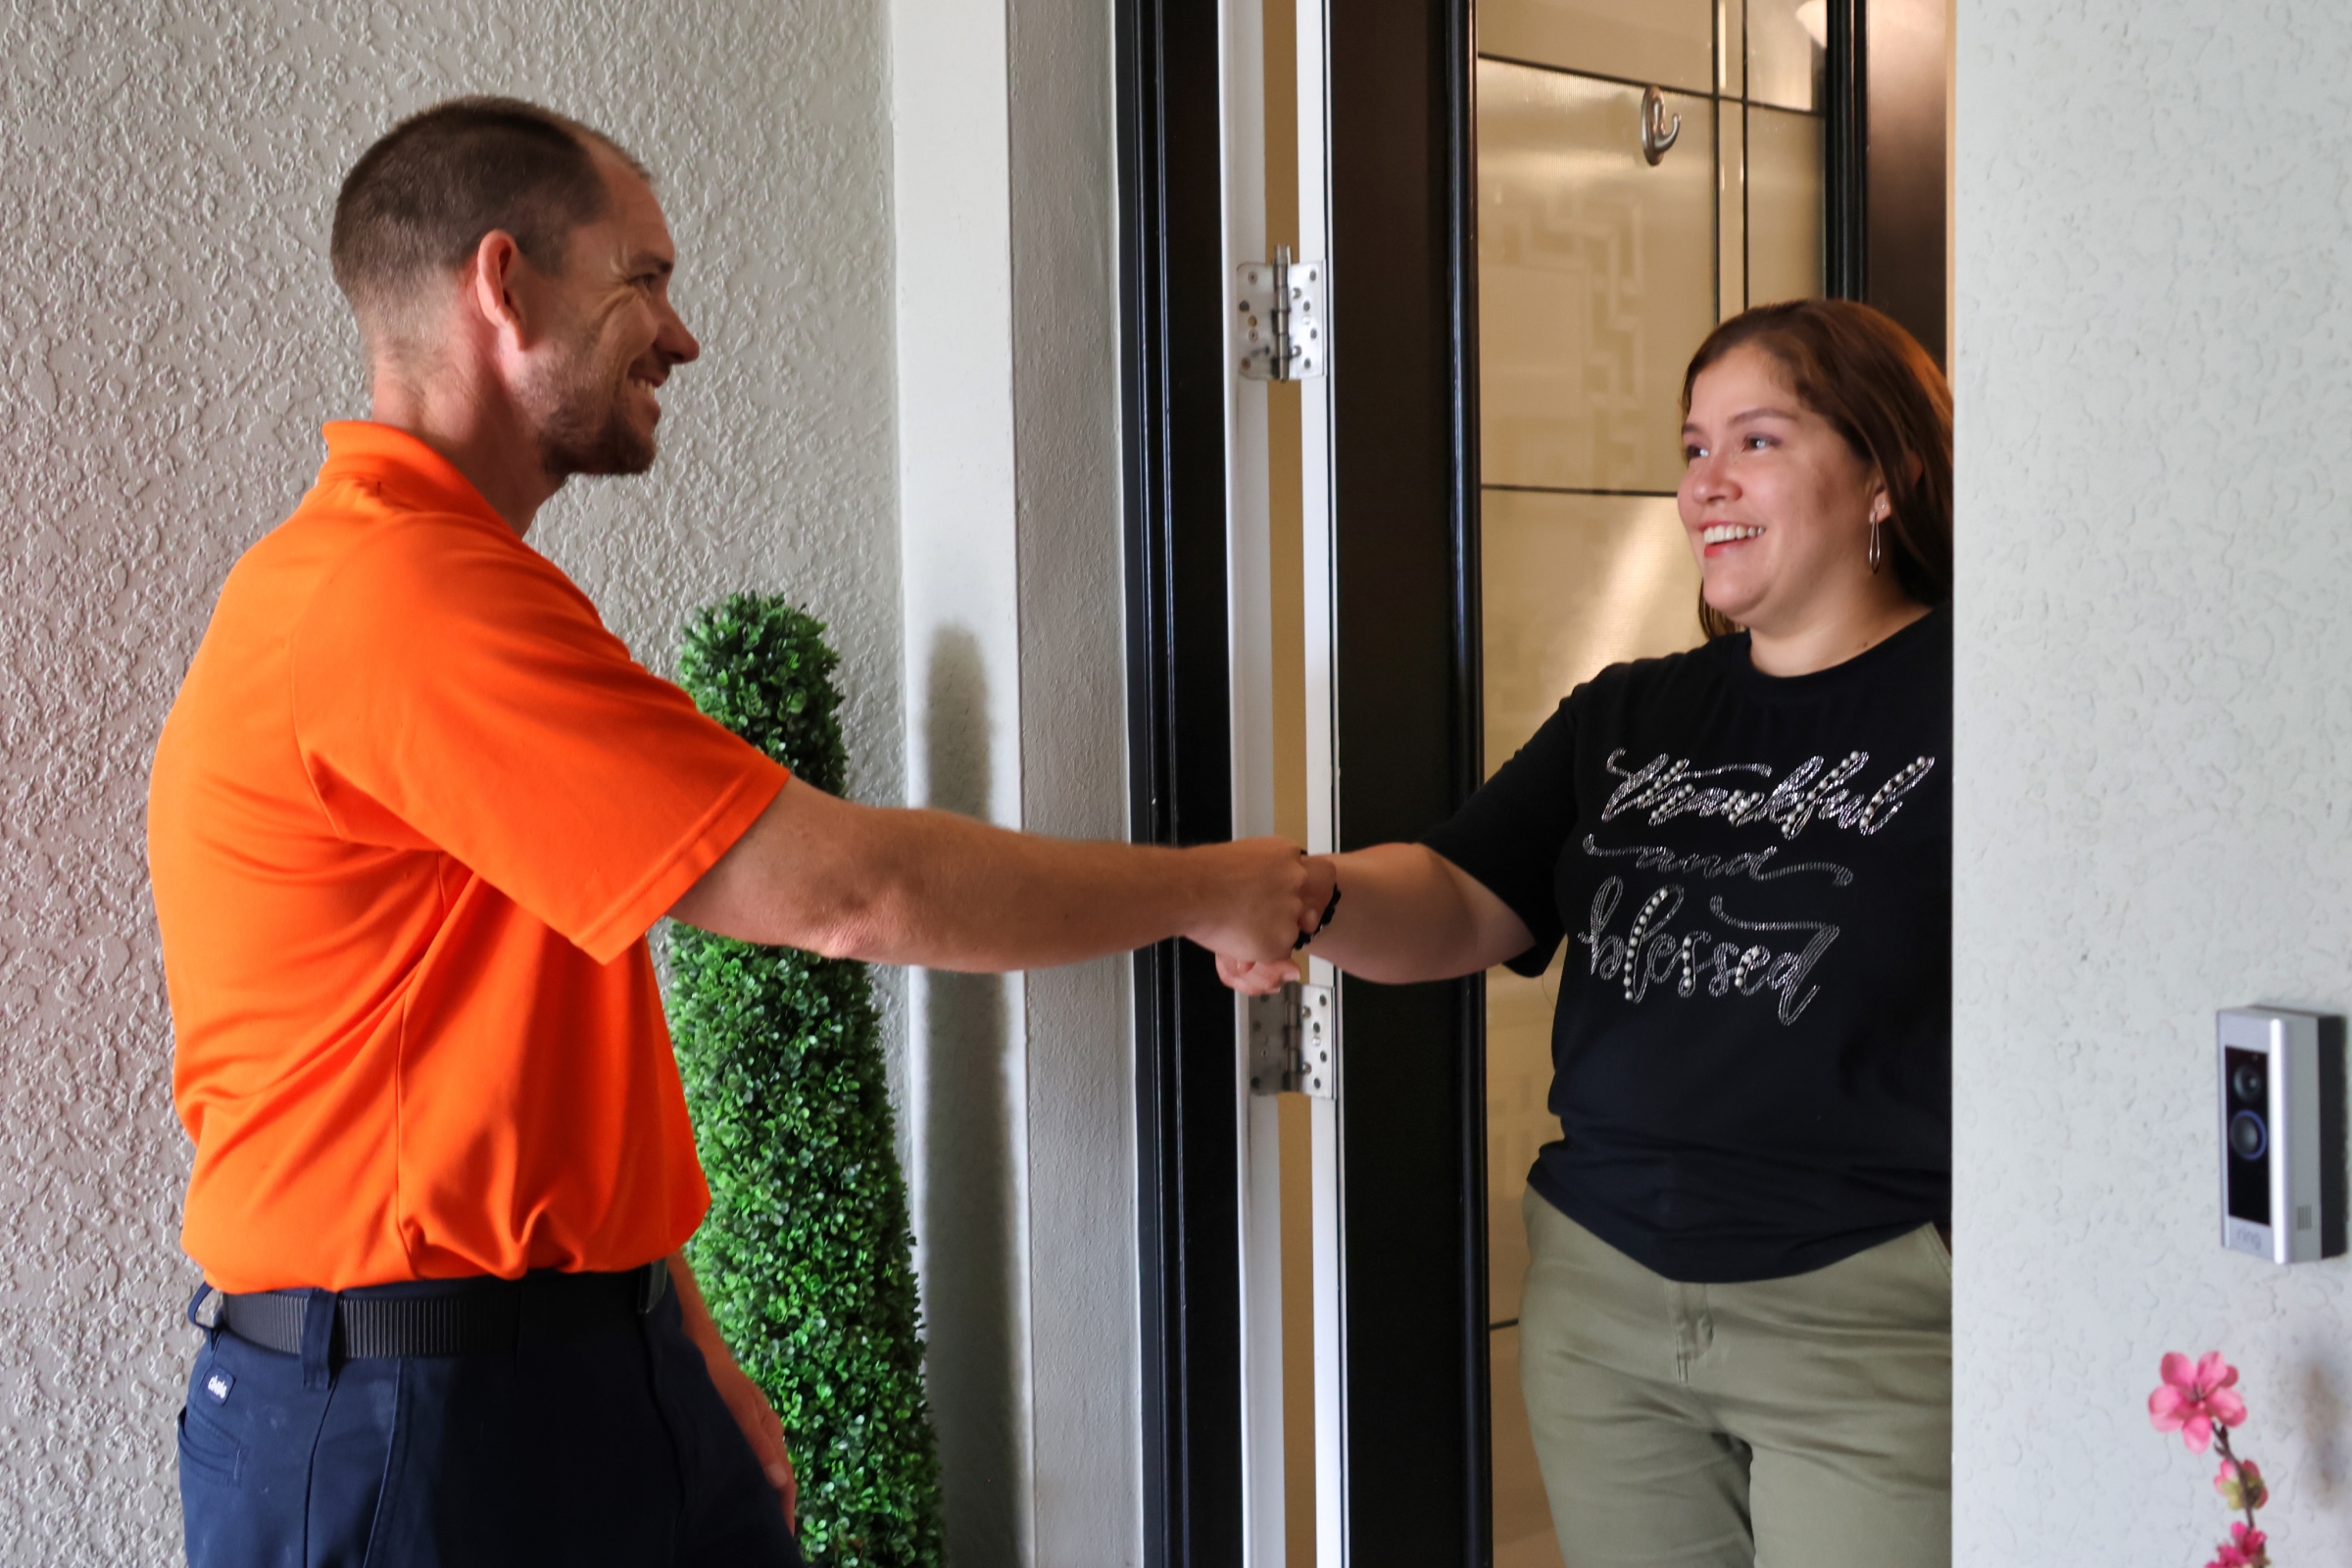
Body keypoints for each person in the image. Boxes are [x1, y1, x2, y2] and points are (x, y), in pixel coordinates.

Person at [148, 97, 1332, 1568]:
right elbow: (850, 891)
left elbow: (545, 1055)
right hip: (417, 1423)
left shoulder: (448, 587)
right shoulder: (399, 603)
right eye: (641, 277)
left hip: (574, 1361)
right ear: (502, 285)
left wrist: (676, 1338)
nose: (682, 334)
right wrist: (1213, 889)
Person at [1223, 299, 1953, 1567]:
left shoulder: (1988, 698)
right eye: (1690, 447)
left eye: (1756, 442)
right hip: (1603, 1300)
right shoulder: (1634, 711)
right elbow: (1459, 894)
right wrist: (1305, 890)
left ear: (1885, 472)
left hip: (1869, 1307)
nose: (1705, 485)